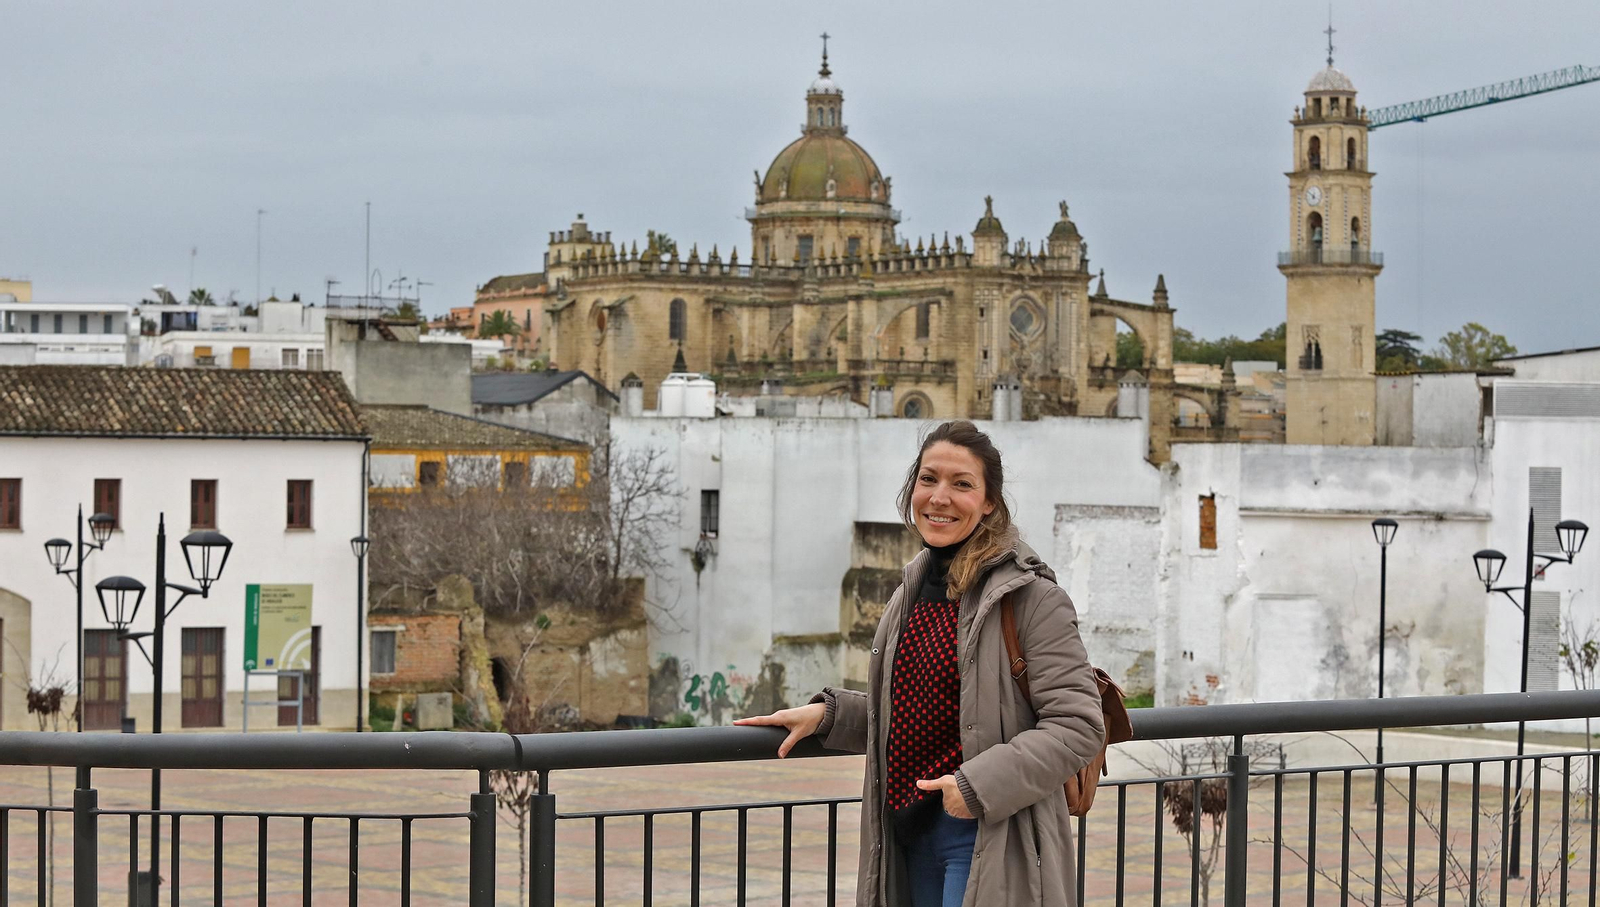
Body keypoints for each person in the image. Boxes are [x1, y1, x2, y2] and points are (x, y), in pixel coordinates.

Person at [736, 420, 1105, 907]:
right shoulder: (913, 588)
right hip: (905, 833)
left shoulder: (1031, 598)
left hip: (983, 836)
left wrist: (973, 787)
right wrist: (831, 716)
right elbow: (925, 703)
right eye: (928, 479)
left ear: (989, 502)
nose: (939, 497)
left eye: (962, 484)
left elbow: (1078, 725)